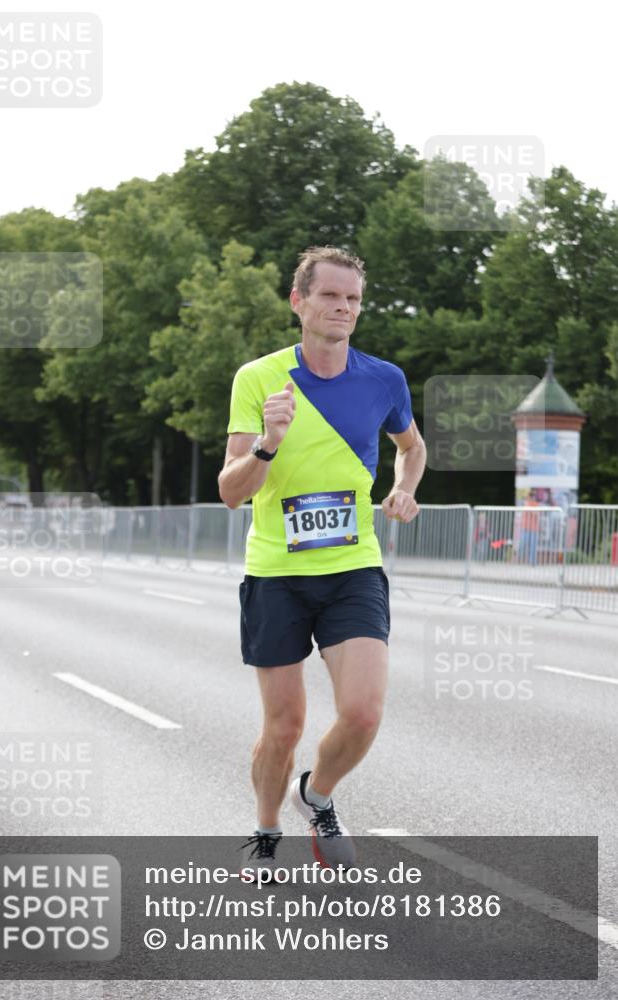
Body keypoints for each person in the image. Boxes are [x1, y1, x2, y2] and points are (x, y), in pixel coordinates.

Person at [218, 246, 426, 881]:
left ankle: (317, 793)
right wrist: (267, 443)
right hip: (277, 572)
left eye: (353, 299)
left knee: (363, 712)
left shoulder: (383, 379)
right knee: (284, 725)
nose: (343, 307)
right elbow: (232, 491)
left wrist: (405, 487)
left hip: (353, 566)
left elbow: (411, 448)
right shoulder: (258, 379)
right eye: (330, 295)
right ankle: (265, 829)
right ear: (298, 301)